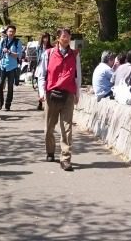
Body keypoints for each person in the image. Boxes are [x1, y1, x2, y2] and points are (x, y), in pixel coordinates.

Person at [36, 28, 82, 171]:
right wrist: (42, 92)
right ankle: (50, 150)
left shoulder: (74, 55)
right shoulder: (48, 54)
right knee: (49, 128)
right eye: (63, 36)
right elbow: (42, 74)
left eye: (68, 36)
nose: (66, 39)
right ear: (57, 38)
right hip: (52, 94)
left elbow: (77, 75)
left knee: (67, 128)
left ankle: (65, 158)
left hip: (68, 94)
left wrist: (77, 93)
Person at [0, 25, 23, 111]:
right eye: (9, 31)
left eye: (13, 31)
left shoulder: (17, 42)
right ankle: (0, 102)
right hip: (2, 66)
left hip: (12, 67)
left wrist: (9, 52)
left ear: (15, 33)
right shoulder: (2, 41)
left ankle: (8, 104)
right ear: (6, 32)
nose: (11, 33)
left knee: (10, 86)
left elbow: (19, 55)